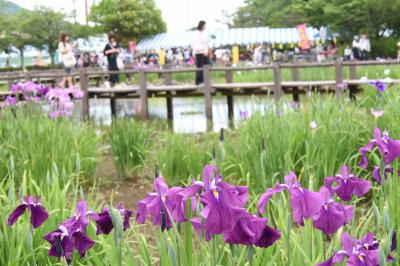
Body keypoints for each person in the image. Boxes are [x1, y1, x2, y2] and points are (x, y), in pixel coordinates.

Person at [193, 20, 210, 85]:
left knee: (207, 65)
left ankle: (204, 80)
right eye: (204, 25)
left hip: (204, 51)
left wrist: (206, 51)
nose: (205, 26)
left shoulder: (204, 32)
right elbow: (201, 41)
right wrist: (203, 50)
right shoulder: (197, 32)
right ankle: (198, 81)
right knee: (200, 66)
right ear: (202, 25)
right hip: (199, 51)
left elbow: (205, 42)